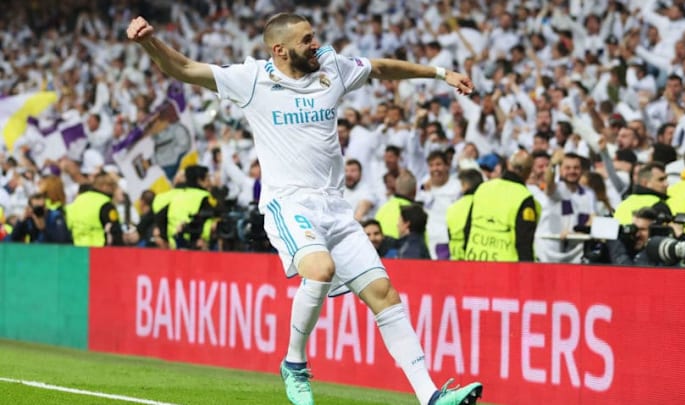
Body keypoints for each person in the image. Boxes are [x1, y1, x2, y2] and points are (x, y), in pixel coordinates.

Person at [127, 13, 481, 405]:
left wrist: (439, 73)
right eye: (306, 40)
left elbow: (379, 68)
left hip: (336, 208)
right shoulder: (253, 80)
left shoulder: (332, 66)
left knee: (384, 293)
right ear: (279, 49)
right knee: (321, 270)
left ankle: (430, 395)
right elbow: (187, 68)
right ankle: (294, 363)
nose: (316, 44)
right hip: (289, 202)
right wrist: (148, 43)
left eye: (314, 37)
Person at [466, 150, 537, 261]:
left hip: (475, 261)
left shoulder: (483, 187)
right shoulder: (524, 196)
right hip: (507, 268)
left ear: (508, 164)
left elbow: (467, 228)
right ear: (529, 172)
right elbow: (524, 241)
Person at [446, 169, 483, 260]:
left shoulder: (453, 208)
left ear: (465, 185)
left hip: (456, 259)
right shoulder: (484, 205)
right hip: (476, 259)